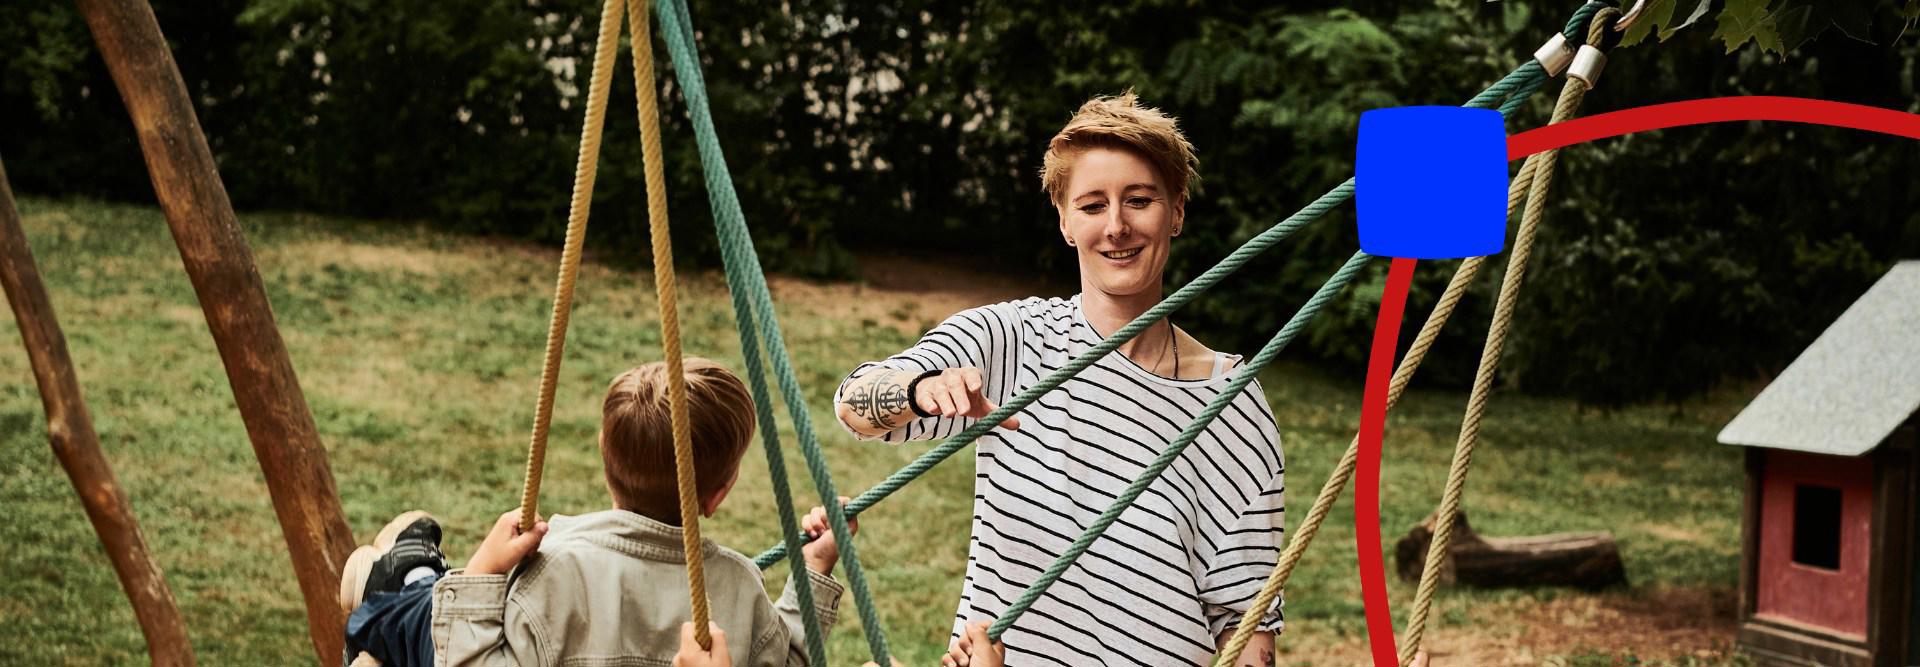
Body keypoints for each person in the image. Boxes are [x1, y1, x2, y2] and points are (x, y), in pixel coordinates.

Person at [834, 91, 1285, 666]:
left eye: (1139, 200)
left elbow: (1246, 628)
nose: (1117, 226)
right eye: (1092, 205)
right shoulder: (1011, 339)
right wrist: (919, 391)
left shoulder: (1234, 403)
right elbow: (854, 405)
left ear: (1175, 210)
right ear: (1066, 221)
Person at [338, 358, 852, 667]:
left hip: (452, 630)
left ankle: (405, 581)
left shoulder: (555, 568)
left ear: (604, 454)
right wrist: (815, 569)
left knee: (413, 614)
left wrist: (485, 573)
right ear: (720, 492)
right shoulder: (740, 589)